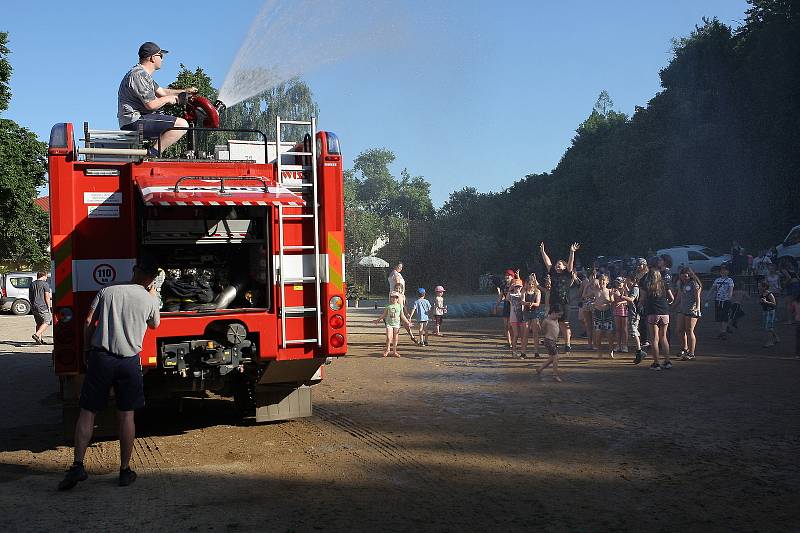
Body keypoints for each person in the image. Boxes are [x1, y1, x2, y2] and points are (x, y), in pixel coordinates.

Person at [58, 260, 161, 490]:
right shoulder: (150, 300)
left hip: (101, 358)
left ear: (135, 271)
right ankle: (125, 471)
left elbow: (88, 322)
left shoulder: (107, 291)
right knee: (126, 416)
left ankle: (77, 466)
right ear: (152, 279)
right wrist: (152, 294)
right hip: (128, 362)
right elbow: (155, 325)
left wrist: (86, 350)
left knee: (87, 412)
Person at [118, 42, 197, 157]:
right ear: (152, 58)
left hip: (135, 120)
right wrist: (169, 99)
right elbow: (151, 105)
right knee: (182, 124)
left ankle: (153, 152)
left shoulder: (143, 75)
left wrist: (185, 91)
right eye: (161, 56)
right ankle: (153, 153)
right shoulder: (139, 75)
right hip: (134, 121)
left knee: (177, 122)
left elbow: (163, 92)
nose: (162, 59)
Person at [539, 242, 580, 353]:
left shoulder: (567, 274)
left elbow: (571, 263)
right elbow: (547, 263)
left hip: (564, 303)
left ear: (565, 267)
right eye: (557, 264)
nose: (557, 265)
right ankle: (553, 342)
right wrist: (543, 252)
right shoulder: (553, 273)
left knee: (564, 324)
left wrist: (572, 252)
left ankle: (567, 345)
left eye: (560, 264)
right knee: (552, 323)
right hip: (554, 302)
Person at [640, 269, 674, 371]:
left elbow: (642, 299)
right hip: (664, 313)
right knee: (664, 338)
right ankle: (667, 361)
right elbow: (671, 298)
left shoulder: (647, 286)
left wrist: (640, 305)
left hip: (652, 313)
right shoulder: (664, 285)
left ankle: (656, 363)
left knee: (654, 339)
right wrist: (666, 303)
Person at [674, 267, 702, 360]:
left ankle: (691, 353)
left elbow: (697, 297)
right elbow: (679, 296)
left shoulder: (694, 283)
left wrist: (697, 308)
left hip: (691, 309)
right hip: (682, 309)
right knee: (679, 329)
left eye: (685, 276)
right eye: (682, 276)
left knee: (689, 330)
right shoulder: (680, 283)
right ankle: (684, 348)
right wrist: (673, 305)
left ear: (690, 275)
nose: (684, 278)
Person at [373, 292, 411, 358]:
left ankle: (394, 351)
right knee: (388, 337)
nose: (394, 298)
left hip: (396, 324)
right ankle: (387, 349)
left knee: (395, 338)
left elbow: (402, 315)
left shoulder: (399, 306)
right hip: (389, 324)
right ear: (390, 298)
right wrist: (378, 320)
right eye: (392, 297)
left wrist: (408, 322)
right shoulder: (388, 306)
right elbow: (384, 314)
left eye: (396, 297)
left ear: (397, 299)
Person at [536, 307, 563, 382]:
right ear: (553, 312)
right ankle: (555, 375)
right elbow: (542, 329)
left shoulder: (556, 319)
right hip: (549, 340)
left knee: (552, 358)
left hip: (553, 341)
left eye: (560, 315)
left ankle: (540, 369)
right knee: (556, 357)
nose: (559, 317)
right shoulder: (547, 320)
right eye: (558, 315)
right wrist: (538, 324)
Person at [592, 273, 615, 358]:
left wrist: (611, 296)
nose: (602, 281)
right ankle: (599, 351)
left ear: (607, 282)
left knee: (609, 335)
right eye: (600, 280)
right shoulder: (595, 290)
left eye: (604, 280)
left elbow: (612, 301)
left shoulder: (609, 291)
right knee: (598, 336)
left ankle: (611, 351)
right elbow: (585, 295)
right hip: (598, 314)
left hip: (607, 314)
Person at [520, 274, 543, 358]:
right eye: (529, 284)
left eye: (532, 284)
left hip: (534, 313)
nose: (531, 285)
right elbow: (522, 301)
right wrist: (527, 303)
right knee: (525, 333)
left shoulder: (537, 291)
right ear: (526, 283)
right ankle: (523, 352)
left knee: (535, 333)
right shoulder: (524, 291)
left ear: (534, 284)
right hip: (526, 312)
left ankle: (536, 352)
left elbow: (538, 303)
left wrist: (532, 304)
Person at [710, 264, 734, 340]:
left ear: (728, 271)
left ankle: (723, 331)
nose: (723, 271)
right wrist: (708, 296)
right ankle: (721, 331)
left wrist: (729, 297)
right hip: (718, 300)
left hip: (726, 300)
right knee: (718, 316)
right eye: (722, 270)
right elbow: (713, 288)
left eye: (725, 270)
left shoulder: (730, 280)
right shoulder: (717, 280)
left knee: (724, 316)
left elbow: (730, 290)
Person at [29, 271, 52, 345]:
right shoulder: (45, 284)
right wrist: (48, 307)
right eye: (46, 276)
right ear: (44, 276)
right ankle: (36, 335)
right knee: (47, 321)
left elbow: (30, 296)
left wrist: (32, 305)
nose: (47, 278)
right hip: (42, 306)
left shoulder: (32, 284)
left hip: (34, 306)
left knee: (39, 323)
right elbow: (47, 296)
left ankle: (39, 340)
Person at [578, 269, 599, 349]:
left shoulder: (597, 282)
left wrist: (590, 294)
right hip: (586, 305)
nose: (593, 276)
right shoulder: (586, 283)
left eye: (594, 275)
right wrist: (587, 286)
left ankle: (595, 344)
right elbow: (583, 295)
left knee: (594, 325)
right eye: (592, 275)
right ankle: (589, 344)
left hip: (594, 305)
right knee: (588, 325)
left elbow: (597, 293)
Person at [496, 269, 516, 348]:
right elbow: (501, 296)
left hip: (513, 306)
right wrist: (496, 306)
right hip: (506, 306)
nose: (507, 276)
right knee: (505, 326)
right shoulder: (503, 285)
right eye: (506, 275)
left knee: (511, 325)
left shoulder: (515, 285)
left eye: (509, 275)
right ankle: (509, 343)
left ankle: (514, 341)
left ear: (512, 277)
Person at [507, 278, 526, 357]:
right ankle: (514, 351)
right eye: (516, 287)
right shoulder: (511, 295)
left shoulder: (523, 294)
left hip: (522, 316)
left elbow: (524, 300)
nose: (517, 288)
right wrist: (510, 288)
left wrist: (521, 292)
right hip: (513, 317)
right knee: (516, 334)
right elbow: (507, 298)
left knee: (522, 335)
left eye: (519, 287)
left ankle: (522, 351)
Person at [758, 281, 779, 347]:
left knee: (768, 327)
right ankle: (776, 338)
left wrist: (766, 302)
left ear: (764, 287)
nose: (758, 287)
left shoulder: (769, 294)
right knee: (768, 327)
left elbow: (774, 304)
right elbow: (761, 303)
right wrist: (761, 302)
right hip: (765, 311)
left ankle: (770, 342)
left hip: (770, 312)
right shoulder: (761, 293)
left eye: (760, 286)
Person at [611, 277, 629, 354]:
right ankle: (618, 345)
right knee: (618, 329)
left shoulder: (625, 290)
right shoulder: (614, 290)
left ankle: (624, 345)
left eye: (619, 282)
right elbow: (612, 301)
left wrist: (621, 302)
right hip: (617, 311)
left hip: (625, 311)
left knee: (624, 329)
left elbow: (629, 300)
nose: (618, 284)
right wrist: (612, 295)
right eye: (617, 283)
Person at [791, 293, 800, 359]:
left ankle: (797, 354)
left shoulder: (795, 302)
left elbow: (792, 311)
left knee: (798, 338)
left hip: (798, 321)